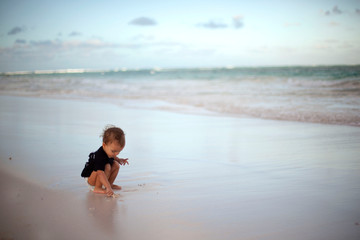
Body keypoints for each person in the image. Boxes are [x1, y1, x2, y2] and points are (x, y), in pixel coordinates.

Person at [81, 125, 129, 196]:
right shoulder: (99, 156)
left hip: (101, 176)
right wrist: (108, 188)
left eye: (119, 151)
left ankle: (109, 184)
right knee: (107, 166)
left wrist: (119, 160)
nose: (116, 154)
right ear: (104, 145)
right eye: (114, 151)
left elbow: (114, 157)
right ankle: (98, 187)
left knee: (116, 164)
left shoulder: (109, 151)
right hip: (91, 179)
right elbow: (100, 173)